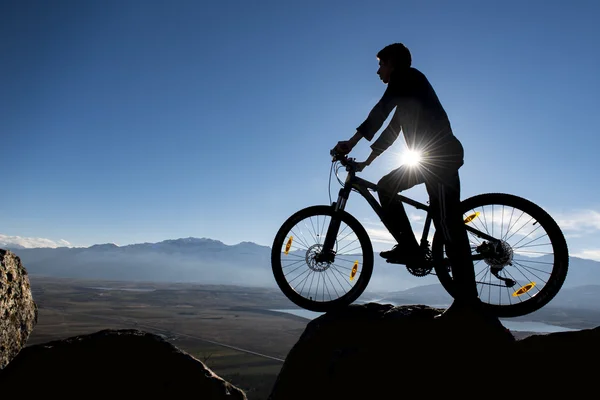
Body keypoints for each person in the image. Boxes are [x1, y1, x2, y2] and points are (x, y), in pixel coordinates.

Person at [333, 43, 481, 314]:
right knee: (387, 185)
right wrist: (368, 161)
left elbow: (380, 110)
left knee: (447, 224)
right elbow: (390, 131)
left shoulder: (409, 78)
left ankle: (467, 304)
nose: (378, 71)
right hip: (429, 160)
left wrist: (350, 142)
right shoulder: (407, 93)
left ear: (394, 64)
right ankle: (410, 249)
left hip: (440, 157)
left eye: (381, 64)